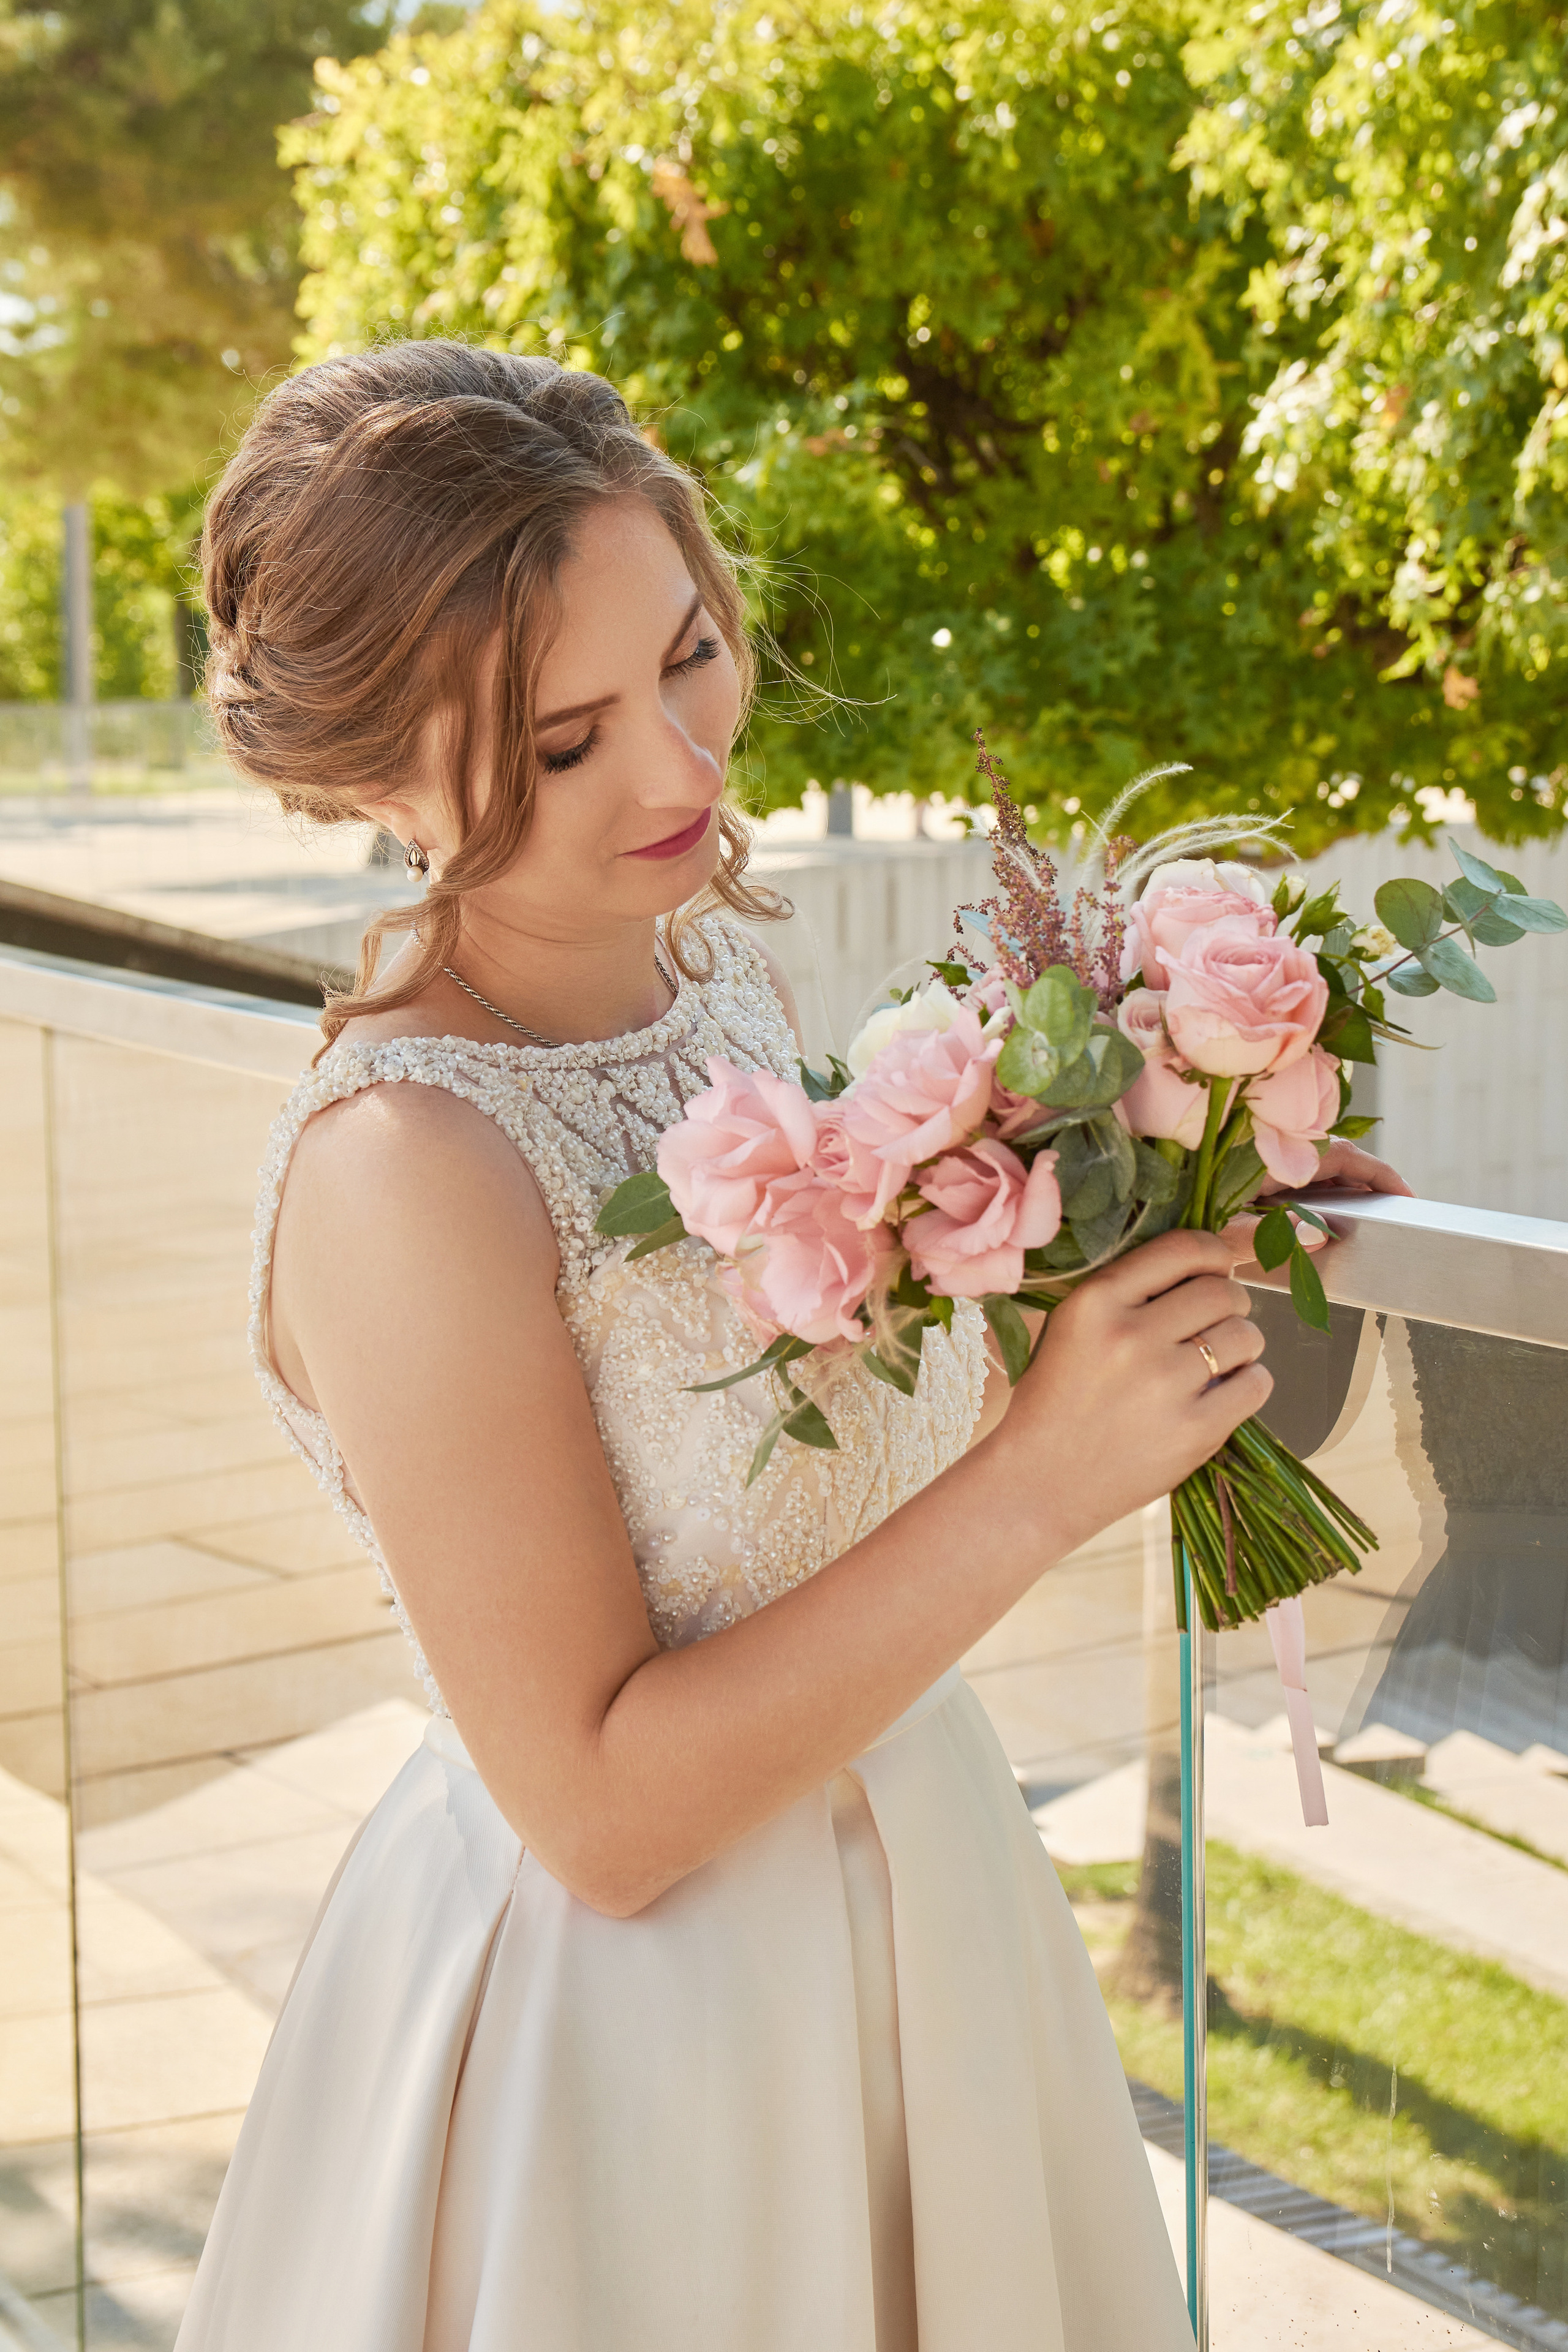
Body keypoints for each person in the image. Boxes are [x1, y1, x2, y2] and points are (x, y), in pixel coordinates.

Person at [175, 341, 1404, 2352]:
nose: (679, 768)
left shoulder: (716, 971)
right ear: (371, 777)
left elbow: (808, 1461)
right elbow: (596, 1810)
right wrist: (1044, 1478)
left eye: (687, 656)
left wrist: (1154, 1201)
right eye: (561, 743)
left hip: (921, 1895)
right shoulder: (408, 1169)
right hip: (637, 2059)